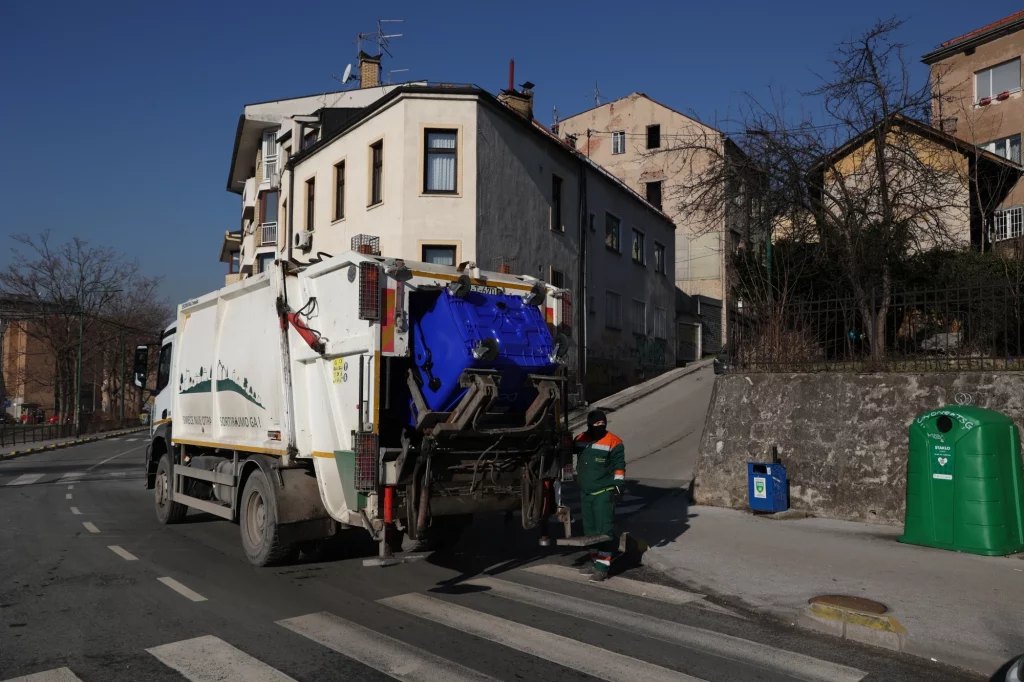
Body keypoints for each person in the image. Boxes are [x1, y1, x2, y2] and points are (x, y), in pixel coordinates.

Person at [573, 409, 625, 581]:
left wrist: (618, 486)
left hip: (603, 493)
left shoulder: (614, 441)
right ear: (589, 424)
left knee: (604, 531)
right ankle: (594, 562)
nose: (600, 426)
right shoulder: (581, 439)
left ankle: (602, 568)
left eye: (603, 424)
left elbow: (619, 465)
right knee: (590, 531)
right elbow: (568, 450)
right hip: (586, 493)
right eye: (596, 424)